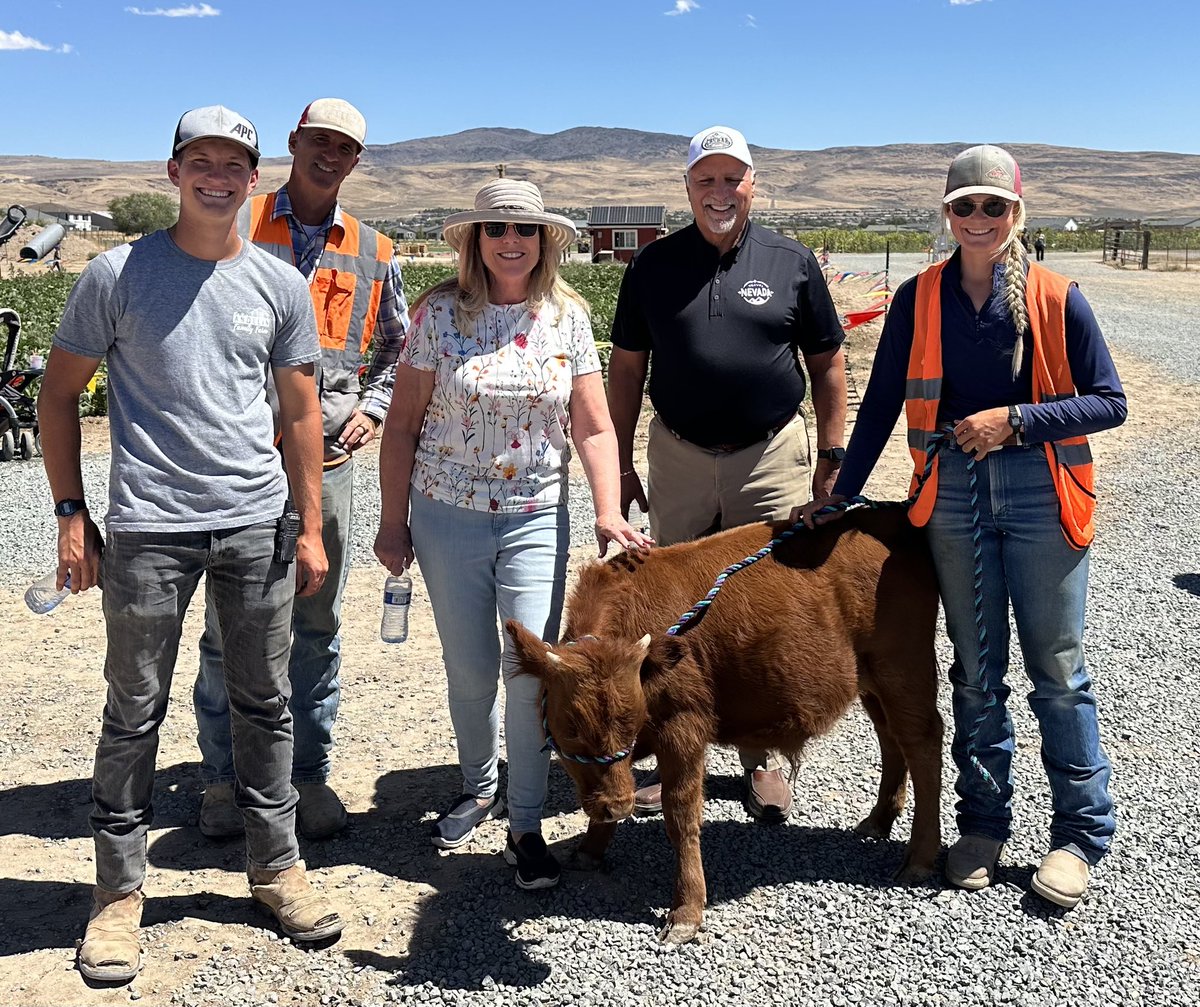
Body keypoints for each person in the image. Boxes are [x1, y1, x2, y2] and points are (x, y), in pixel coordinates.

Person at [37, 105, 344, 983]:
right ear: (173, 172)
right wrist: (70, 512)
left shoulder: (280, 285)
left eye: (234, 163)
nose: (218, 175)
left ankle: (276, 865)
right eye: (199, 160)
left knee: (266, 703)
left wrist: (310, 524)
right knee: (134, 711)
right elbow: (59, 396)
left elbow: (298, 413)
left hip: (255, 522)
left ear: (256, 178)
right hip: (147, 527)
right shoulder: (116, 273)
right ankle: (119, 894)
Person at [797, 144, 1124, 909]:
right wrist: (839, 490)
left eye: (994, 207)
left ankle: (1078, 834)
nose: (979, 219)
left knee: (1058, 669)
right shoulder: (921, 297)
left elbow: (1110, 400)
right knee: (976, 673)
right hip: (952, 495)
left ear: (1017, 213)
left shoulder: (1057, 296)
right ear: (947, 216)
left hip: (1044, 492)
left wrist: (1018, 420)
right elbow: (880, 402)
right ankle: (981, 824)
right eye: (964, 206)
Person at [374, 179, 651, 890]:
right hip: (445, 515)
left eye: (524, 230)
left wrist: (608, 507)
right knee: (469, 670)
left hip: (534, 514)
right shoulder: (438, 316)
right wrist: (393, 518)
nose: (510, 240)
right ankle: (478, 785)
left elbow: (592, 425)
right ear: (474, 240)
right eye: (495, 228)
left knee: (532, 672)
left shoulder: (568, 319)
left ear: (544, 242)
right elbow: (401, 426)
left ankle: (526, 824)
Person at [607, 125, 848, 822]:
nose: (720, 192)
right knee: (673, 610)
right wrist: (621, 464)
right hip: (679, 456)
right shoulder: (653, 267)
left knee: (761, 610)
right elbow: (627, 369)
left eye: (732, 179)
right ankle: (673, 750)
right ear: (687, 188)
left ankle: (762, 756)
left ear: (753, 185)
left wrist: (829, 459)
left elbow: (828, 364)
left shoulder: (791, 260)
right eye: (705, 179)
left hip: (768, 454)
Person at [193, 98, 410, 842]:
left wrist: (375, 409)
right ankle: (223, 779)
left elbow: (397, 349)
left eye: (344, 147)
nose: (329, 154)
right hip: (238, 459)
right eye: (317, 140)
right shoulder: (237, 220)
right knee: (230, 630)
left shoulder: (375, 250)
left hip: (334, 460)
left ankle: (307, 776)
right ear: (293, 142)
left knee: (315, 625)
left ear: (356, 159)